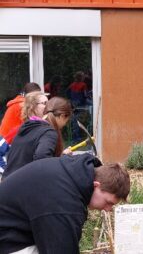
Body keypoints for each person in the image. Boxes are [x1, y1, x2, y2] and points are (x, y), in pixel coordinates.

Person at [0, 153, 130, 253]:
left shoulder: (72, 174)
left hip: (15, 230)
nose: (108, 209)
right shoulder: (65, 203)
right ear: (96, 185)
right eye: (108, 203)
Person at [1, 96, 72, 180]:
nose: (64, 124)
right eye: (67, 120)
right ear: (62, 116)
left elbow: (28, 156)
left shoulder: (28, 126)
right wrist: (63, 160)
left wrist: (61, 156)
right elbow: (41, 160)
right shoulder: (48, 132)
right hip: (21, 186)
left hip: (7, 183)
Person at [0, 92, 48, 175]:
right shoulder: (19, 130)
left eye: (49, 103)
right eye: (44, 103)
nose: (48, 106)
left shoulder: (47, 128)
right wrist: (7, 171)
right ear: (33, 107)